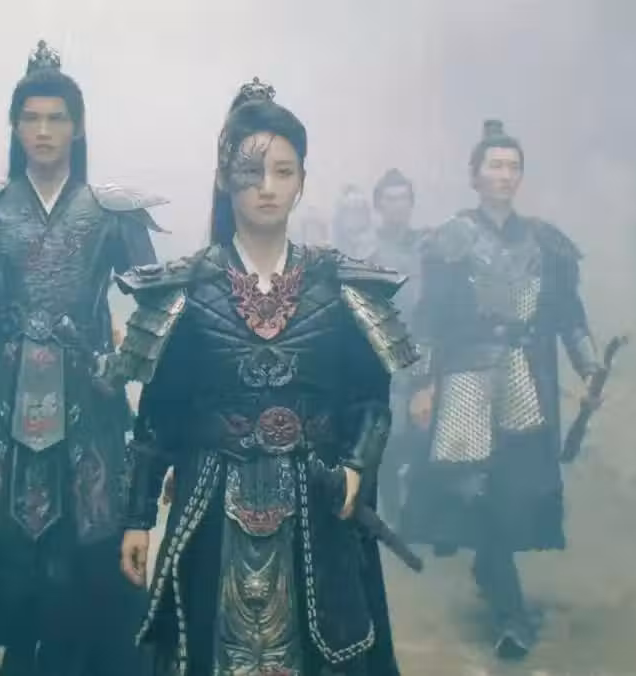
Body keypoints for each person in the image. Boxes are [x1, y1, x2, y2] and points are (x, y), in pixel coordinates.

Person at [116, 78, 416, 676]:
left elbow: (370, 401)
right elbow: (158, 415)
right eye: (251, 172)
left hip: (315, 502)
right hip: (210, 499)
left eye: (283, 171)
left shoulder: (339, 286)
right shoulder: (186, 289)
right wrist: (138, 518)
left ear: (302, 179)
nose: (267, 187)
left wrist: (357, 466)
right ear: (225, 179)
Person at [0, 40, 164, 676]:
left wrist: (126, 370)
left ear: (78, 127)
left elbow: (156, 308)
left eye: (57, 117)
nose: (44, 130)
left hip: (90, 405)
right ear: (14, 126)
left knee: (88, 553)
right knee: (7, 556)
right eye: (31, 118)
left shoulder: (112, 212)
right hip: (0, 407)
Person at [400, 120, 603, 659]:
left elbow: (569, 316)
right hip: (466, 378)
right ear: (475, 176)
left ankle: (494, 571)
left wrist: (589, 369)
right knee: (475, 490)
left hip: (525, 380)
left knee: (515, 487)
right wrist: (422, 385)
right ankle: (509, 607)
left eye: (513, 167)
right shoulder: (451, 240)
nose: (505, 175)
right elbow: (429, 321)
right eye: (495, 165)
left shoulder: (546, 243)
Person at [367, 169, 429, 526]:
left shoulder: (429, 248)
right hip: (385, 352)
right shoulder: (368, 252)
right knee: (391, 437)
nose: (397, 206)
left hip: (427, 348)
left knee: (426, 435)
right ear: (379, 205)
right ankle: (392, 511)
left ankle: (420, 512)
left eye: (403, 198)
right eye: (390, 199)